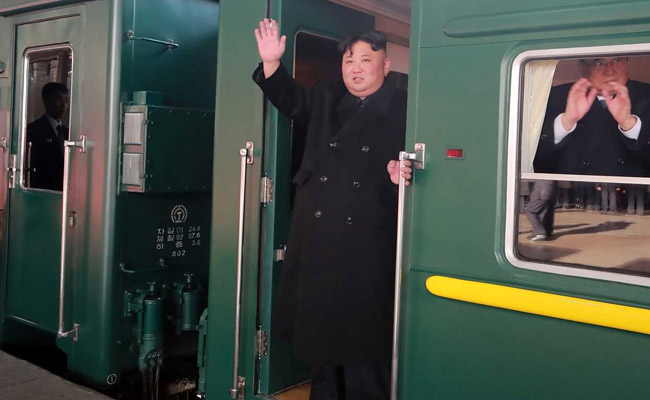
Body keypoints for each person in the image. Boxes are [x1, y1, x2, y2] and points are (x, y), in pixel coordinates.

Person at [253, 18, 410, 400]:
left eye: (365, 60)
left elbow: (425, 169)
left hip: (370, 241)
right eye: (348, 60)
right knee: (323, 339)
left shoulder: (407, 108)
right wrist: (272, 62)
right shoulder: (325, 97)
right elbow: (290, 98)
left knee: (364, 344)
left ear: (386, 65)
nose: (355, 68)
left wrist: (402, 178)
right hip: (321, 237)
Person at [534, 57, 650, 178]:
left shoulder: (647, 94)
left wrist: (629, 124)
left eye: (617, 60)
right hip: (571, 189)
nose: (610, 71)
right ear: (582, 67)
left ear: (626, 61)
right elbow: (532, 160)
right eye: (598, 63)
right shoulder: (554, 96)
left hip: (634, 190)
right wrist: (566, 122)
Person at [26, 82, 70, 190]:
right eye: (58, 100)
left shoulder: (68, 132)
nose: (63, 106)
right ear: (46, 101)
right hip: (42, 190)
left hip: (64, 190)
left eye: (66, 100)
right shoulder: (33, 130)